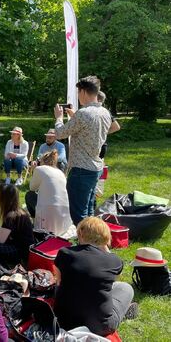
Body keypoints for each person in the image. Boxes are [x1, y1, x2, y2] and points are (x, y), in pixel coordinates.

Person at [54, 217, 137, 336]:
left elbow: (58, 281)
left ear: (80, 233)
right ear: (105, 238)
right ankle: (122, 312)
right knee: (125, 288)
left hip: (64, 321)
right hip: (100, 327)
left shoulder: (64, 253)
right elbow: (113, 281)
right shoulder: (114, 261)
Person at [54, 76, 112, 225]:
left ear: (84, 92)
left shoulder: (83, 113)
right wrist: (74, 116)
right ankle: (94, 243)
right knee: (89, 211)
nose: (78, 95)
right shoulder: (104, 112)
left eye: (79, 92)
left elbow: (60, 133)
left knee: (78, 214)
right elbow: (89, 128)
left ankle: (87, 245)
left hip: (81, 170)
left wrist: (59, 118)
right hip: (95, 167)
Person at [0, 184, 34, 266]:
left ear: (4, 198)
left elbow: (1, 241)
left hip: (20, 253)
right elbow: (10, 233)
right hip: (23, 249)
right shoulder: (19, 211)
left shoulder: (11, 216)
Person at [26, 150, 73, 237]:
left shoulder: (39, 169)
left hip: (47, 215)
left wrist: (33, 170)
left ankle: (34, 219)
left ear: (42, 161)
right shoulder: (61, 173)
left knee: (29, 195)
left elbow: (32, 188)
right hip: (64, 216)